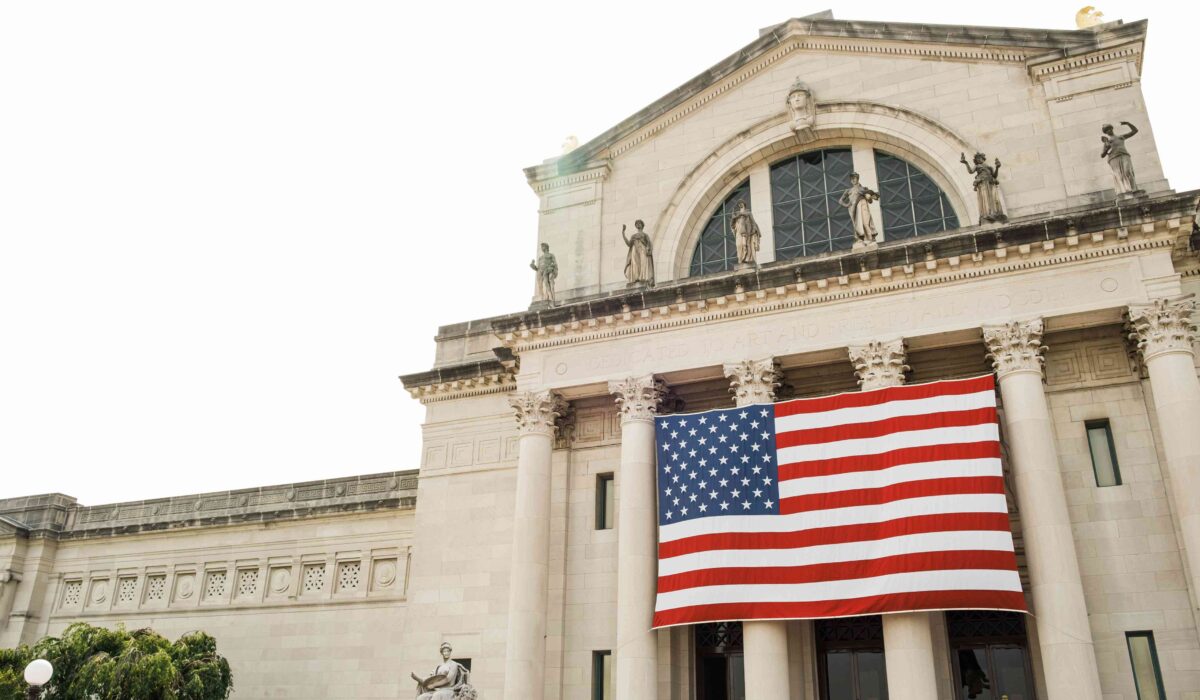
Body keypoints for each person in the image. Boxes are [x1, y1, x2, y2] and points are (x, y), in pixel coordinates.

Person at [411, 642, 476, 700]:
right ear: (441, 653)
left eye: (448, 651)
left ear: (450, 652)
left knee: (437, 696)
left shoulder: (453, 664)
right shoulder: (439, 666)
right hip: (437, 690)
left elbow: (448, 679)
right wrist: (416, 678)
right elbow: (430, 679)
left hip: (449, 690)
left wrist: (433, 685)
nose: (446, 653)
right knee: (422, 697)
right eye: (444, 651)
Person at [961, 152, 1007, 224]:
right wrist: (966, 163)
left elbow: (994, 175)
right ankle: (987, 213)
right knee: (985, 197)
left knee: (993, 198)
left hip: (990, 182)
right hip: (983, 183)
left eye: (980, 158)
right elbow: (970, 171)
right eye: (977, 159)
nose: (979, 160)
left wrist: (997, 167)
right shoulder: (977, 166)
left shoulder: (989, 167)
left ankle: (994, 213)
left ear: (983, 159)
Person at [838, 172, 880, 248]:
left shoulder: (863, 189)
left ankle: (870, 238)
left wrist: (869, 197)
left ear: (857, 179)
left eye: (854, 178)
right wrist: (847, 205)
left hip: (863, 206)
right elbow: (840, 201)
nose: (853, 180)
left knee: (865, 222)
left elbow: (870, 201)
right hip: (854, 209)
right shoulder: (848, 190)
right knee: (858, 224)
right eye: (852, 179)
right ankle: (861, 238)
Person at [1101, 121, 1139, 194]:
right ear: (1106, 133)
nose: (1109, 131)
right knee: (1119, 175)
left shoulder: (1121, 137)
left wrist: (1128, 123)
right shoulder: (1107, 141)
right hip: (1114, 158)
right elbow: (1102, 155)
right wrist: (1107, 148)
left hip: (1124, 155)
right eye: (1106, 130)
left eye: (1109, 129)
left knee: (1128, 171)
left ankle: (1133, 189)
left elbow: (1135, 131)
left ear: (1112, 129)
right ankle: (1125, 190)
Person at [621, 220, 654, 286]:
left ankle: (643, 278)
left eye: (639, 223)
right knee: (635, 263)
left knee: (643, 262)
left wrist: (649, 250)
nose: (638, 224)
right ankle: (636, 278)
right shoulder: (633, 236)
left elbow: (649, 244)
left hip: (642, 249)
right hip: (634, 250)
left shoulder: (645, 235)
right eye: (637, 224)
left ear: (642, 225)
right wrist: (623, 233)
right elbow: (628, 244)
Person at [730, 200, 760, 265]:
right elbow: (732, 225)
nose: (740, 204)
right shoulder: (736, 214)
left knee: (746, 245)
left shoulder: (748, 213)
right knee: (739, 245)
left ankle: (747, 259)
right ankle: (740, 260)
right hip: (739, 233)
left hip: (747, 232)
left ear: (744, 204)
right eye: (739, 203)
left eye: (741, 203)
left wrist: (754, 229)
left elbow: (753, 222)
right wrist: (733, 218)